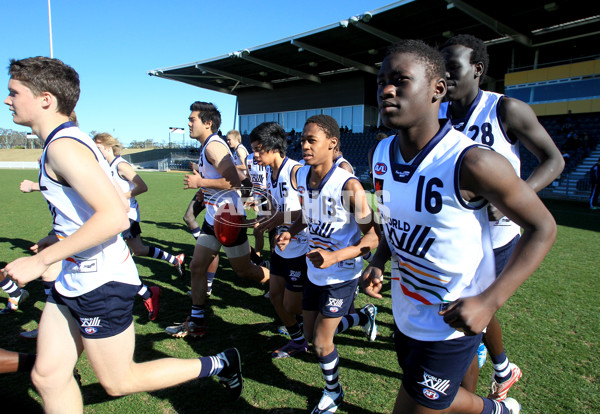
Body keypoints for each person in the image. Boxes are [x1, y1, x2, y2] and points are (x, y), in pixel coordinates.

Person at [2, 57, 243, 411]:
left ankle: (219, 363)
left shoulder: (63, 146)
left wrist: (40, 259)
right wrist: (55, 241)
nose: (7, 100)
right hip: (75, 274)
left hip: (100, 279)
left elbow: (114, 216)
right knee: (48, 376)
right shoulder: (64, 141)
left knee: (118, 381)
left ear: (45, 99)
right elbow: (95, 208)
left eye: (14, 92)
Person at [363, 40, 556, 414]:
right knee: (440, 399)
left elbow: (543, 227)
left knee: (417, 407)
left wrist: (489, 301)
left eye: (401, 81)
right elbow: (392, 218)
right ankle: (499, 410)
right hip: (406, 308)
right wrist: (379, 259)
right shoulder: (380, 152)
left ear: (438, 89)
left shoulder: (473, 162)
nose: (386, 89)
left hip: (451, 317)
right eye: (383, 80)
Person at [439, 34, 564, 398]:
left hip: (497, 232)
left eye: (453, 66)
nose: (445, 74)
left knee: (466, 308)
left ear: (477, 70)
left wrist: (515, 197)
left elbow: (555, 160)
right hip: (457, 230)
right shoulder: (437, 114)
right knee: (466, 304)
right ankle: (503, 367)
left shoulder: (505, 110)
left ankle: (477, 392)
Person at [276, 114, 379, 413]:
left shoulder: (348, 186)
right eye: (303, 139)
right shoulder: (305, 178)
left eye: (312, 140)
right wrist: (289, 232)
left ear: (332, 143)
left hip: (342, 274)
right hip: (314, 271)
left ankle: (333, 392)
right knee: (310, 337)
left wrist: (335, 256)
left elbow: (373, 237)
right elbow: (308, 215)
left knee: (322, 344)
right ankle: (364, 317)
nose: (304, 145)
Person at [165, 101, 269, 338]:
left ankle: (279, 285)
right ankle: (197, 321)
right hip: (214, 216)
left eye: (193, 120)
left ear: (208, 123)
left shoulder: (213, 147)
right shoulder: (206, 147)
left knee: (244, 271)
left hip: (228, 217)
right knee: (196, 266)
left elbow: (234, 181)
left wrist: (200, 183)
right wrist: (206, 190)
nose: (189, 123)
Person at [93, 132, 176, 320]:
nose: (95, 151)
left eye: (97, 147)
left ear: (107, 147)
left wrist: (122, 198)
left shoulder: (120, 165)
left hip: (126, 217)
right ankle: (168, 267)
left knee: (114, 259)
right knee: (136, 251)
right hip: (116, 215)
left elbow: (142, 186)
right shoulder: (105, 165)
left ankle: (146, 294)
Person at [249, 122, 309, 358]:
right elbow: (276, 208)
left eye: (258, 148)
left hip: (301, 247)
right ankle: (297, 341)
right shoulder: (269, 173)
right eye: (253, 148)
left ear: (274, 146)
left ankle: (350, 316)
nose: (254, 154)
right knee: (275, 296)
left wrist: (277, 219)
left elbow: (312, 211)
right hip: (281, 245)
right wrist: (265, 221)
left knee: (293, 306)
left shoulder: (296, 171)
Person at [182, 161, 220, 296]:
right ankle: (206, 290)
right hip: (207, 189)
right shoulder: (208, 146)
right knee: (188, 217)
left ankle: (262, 265)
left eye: (229, 138)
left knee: (243, 269)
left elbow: (234, 176)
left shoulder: (217, 146)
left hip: (222, 196)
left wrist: (201, 178)